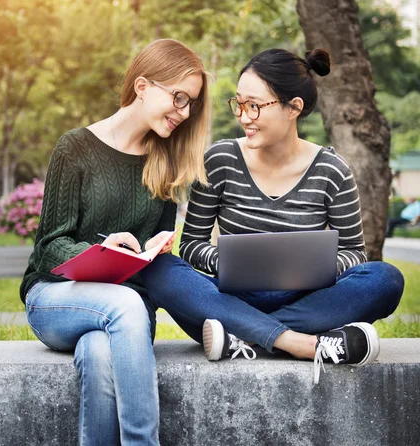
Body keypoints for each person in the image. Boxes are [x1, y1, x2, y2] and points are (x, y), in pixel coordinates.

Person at [141, 48, 405, 384]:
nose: (244, 116)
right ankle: (297, 342)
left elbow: (354, 253)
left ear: (293, 107)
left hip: (301, 302)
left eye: (254, 105)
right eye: (239, 104)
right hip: (228, 298)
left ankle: (244, 339)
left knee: (385, 279)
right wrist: (227, 262)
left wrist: (315, 268)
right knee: (160, 270)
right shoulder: (220, 159)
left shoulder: (332, 170)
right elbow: (191, 244)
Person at [20, 39, 209, 445]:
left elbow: (154, 263)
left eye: (189, 102)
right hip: (56, 299)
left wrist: (149, 254)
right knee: (123, 305)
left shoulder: (164, 164)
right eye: (178, 97)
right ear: (142, 86)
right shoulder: (75, 148)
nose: (184, 112)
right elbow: (49, 246)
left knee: (99, 353)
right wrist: (102, 253)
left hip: (127, 315)